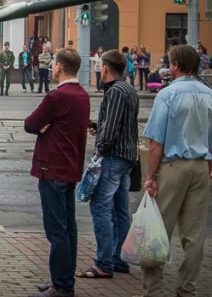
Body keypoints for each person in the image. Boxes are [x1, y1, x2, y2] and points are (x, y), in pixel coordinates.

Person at [141, 45, 212, 297]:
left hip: (172, 166)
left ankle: (153, 290)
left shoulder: (168, 94)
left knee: (158, 229)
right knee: (195, 233)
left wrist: (150, 176)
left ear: (175, 65)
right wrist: (208, 168)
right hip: (200, 166)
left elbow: (156, 143)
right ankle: (187, 289)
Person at [24, 49, 90, 297]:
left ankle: (61, 286)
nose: (52, 69)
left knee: (56, 230)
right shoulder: (82, 95)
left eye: (54, 65)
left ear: (60, 67)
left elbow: (30, 123)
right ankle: (63, 279)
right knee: (68, 228)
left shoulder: (56, 97)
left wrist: (43, 127)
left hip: (51, 168)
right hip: (70, 169)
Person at [76, 50, 138, 280]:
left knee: (100, 208)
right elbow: (122, 125)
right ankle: (117, 258)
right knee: (121, 210)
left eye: (99, 67)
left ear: (105, 68)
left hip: (112, 159)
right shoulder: (129, 89)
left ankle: (104, 263)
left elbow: (111, 132)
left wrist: (99, 151)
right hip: (127, 158)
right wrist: (98, 126)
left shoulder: (114, 93)